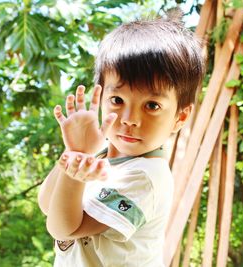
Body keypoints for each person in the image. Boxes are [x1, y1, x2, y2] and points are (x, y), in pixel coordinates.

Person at [38, 18, 204, 267]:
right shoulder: (102, 156)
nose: (130, 119)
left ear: (180, 117)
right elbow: (48, 204)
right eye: (117, 100)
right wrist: (73, 154)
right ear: (101, 97)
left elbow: (63, 229)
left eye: (152, 105)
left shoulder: (145, 176)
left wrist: (75, 172)